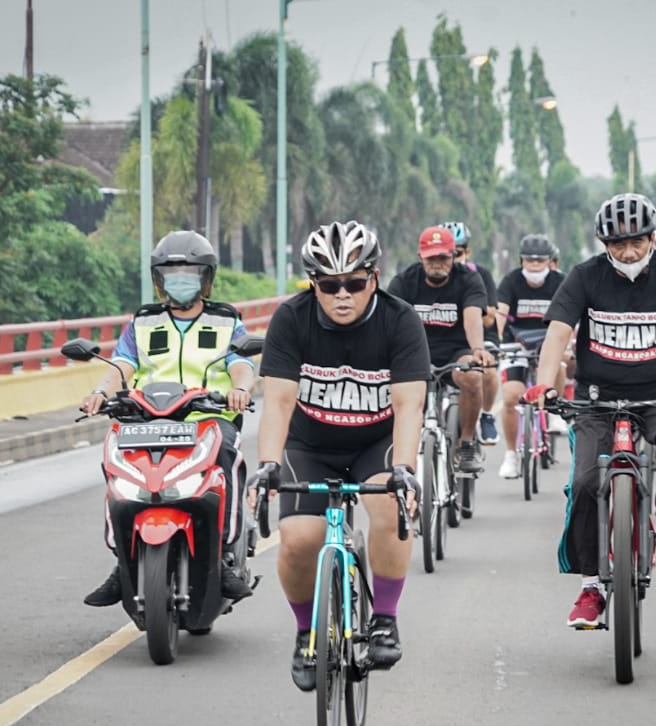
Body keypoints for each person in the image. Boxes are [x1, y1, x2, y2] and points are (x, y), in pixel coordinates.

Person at [523, 193, 656, 628]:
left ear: (652, 237)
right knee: (585, 484)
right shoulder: (584, 277)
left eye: (636, 241)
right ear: (603, 243)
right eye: (617, 244)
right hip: (598, 398)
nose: (628, 252)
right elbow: (558, 333)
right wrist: (542, 382)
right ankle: (591, 586)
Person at [250, 221, 428, 691]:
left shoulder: (400, 319)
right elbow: (280, 402)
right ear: (314, 284)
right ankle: (307, 631)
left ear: (374, 277)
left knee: (390, 506)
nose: (342, 294)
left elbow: (410, 405)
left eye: (354, 282)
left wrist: (404, 470)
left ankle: (385, 617)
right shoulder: (291, 318)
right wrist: (268, 464)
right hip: (310, 445)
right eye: (329, 285)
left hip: (377, 442)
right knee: (297, 539)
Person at [81, 230, 256, 607]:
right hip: (147, 421)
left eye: (190, 272)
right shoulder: (143, 323)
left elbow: (241, 364)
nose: (181, 279)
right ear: (159, 279)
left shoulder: (226, 321)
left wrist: (240, 389)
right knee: (114, 462)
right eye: (172, 272)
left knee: (228, 456)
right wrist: (100, 392)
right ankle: (122, 560)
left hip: (207, 420)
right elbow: (122, 366)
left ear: (206, 277)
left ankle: (224, 553)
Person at [387, 226, 497, 473]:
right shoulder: (404, 282)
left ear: (454, 256)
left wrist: (478, 348)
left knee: (472, 376)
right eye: (431, 258)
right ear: (420, 257)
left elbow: (472, 317)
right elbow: (391, 322)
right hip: (416, 355)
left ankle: (467, 442)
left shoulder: (469, 279)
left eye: (444, 257)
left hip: (455, 352)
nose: (438, 263)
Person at [494, 233, 566, 479]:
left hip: (549, 340)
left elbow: (571, 316)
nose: (535, 266)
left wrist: (570, 343)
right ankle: (512, 454)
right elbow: (501, 314)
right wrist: (497, 340)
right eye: (530, 261)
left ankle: (554, 412)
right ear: (521, 261)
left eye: (540, 261)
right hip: (517, 343)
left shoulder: (560, 282)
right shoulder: (511, 281)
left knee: (560, 364)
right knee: (511, 396)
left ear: (549, 261)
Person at [443, 220, 501, 447]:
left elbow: (488, 317)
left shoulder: (479, 276)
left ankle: (486, 414)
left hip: (481, 334)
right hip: (447, 337)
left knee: (484, 368)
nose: (450, 259)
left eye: (456, 253)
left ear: (467, 252)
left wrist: (468, 311)